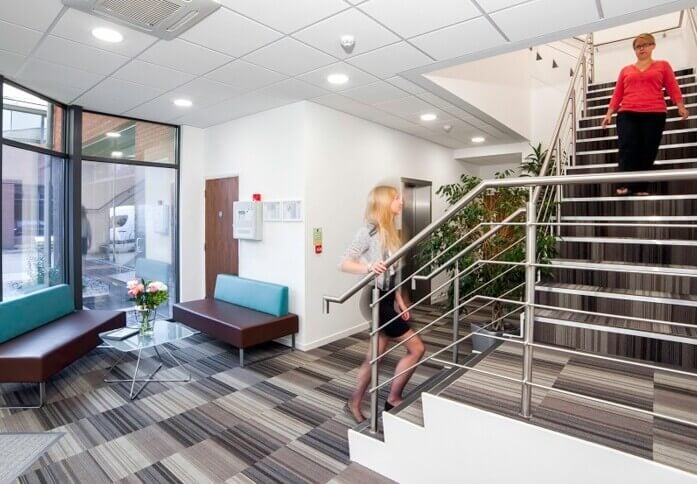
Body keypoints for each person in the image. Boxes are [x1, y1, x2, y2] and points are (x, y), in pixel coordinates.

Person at [340, 185, 426, 424]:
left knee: (373, 357)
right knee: (417, 348)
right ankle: (394, 399)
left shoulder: (392, 231)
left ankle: (354, 401)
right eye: (397, 198)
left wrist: (400, 299)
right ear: (385, 202)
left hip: (388, 297)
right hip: (375, 298)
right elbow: (345, 262)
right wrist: (367, 267)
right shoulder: (368, 231)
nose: (402, 201)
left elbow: (395, 271)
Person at [601, 33, 688, 196]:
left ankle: (640, 186)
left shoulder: (663, 66)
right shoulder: (626, 70)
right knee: (627, 148)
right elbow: (617, 93)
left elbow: (672, 87)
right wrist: (609, 113)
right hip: (627, 113)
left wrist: (680, 106)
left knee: (648, 149)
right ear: (634, 50)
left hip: (654, 113)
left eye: (645, 45)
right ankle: (625, 184)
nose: (642, 49)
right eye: (638, 46)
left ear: (653, 46)